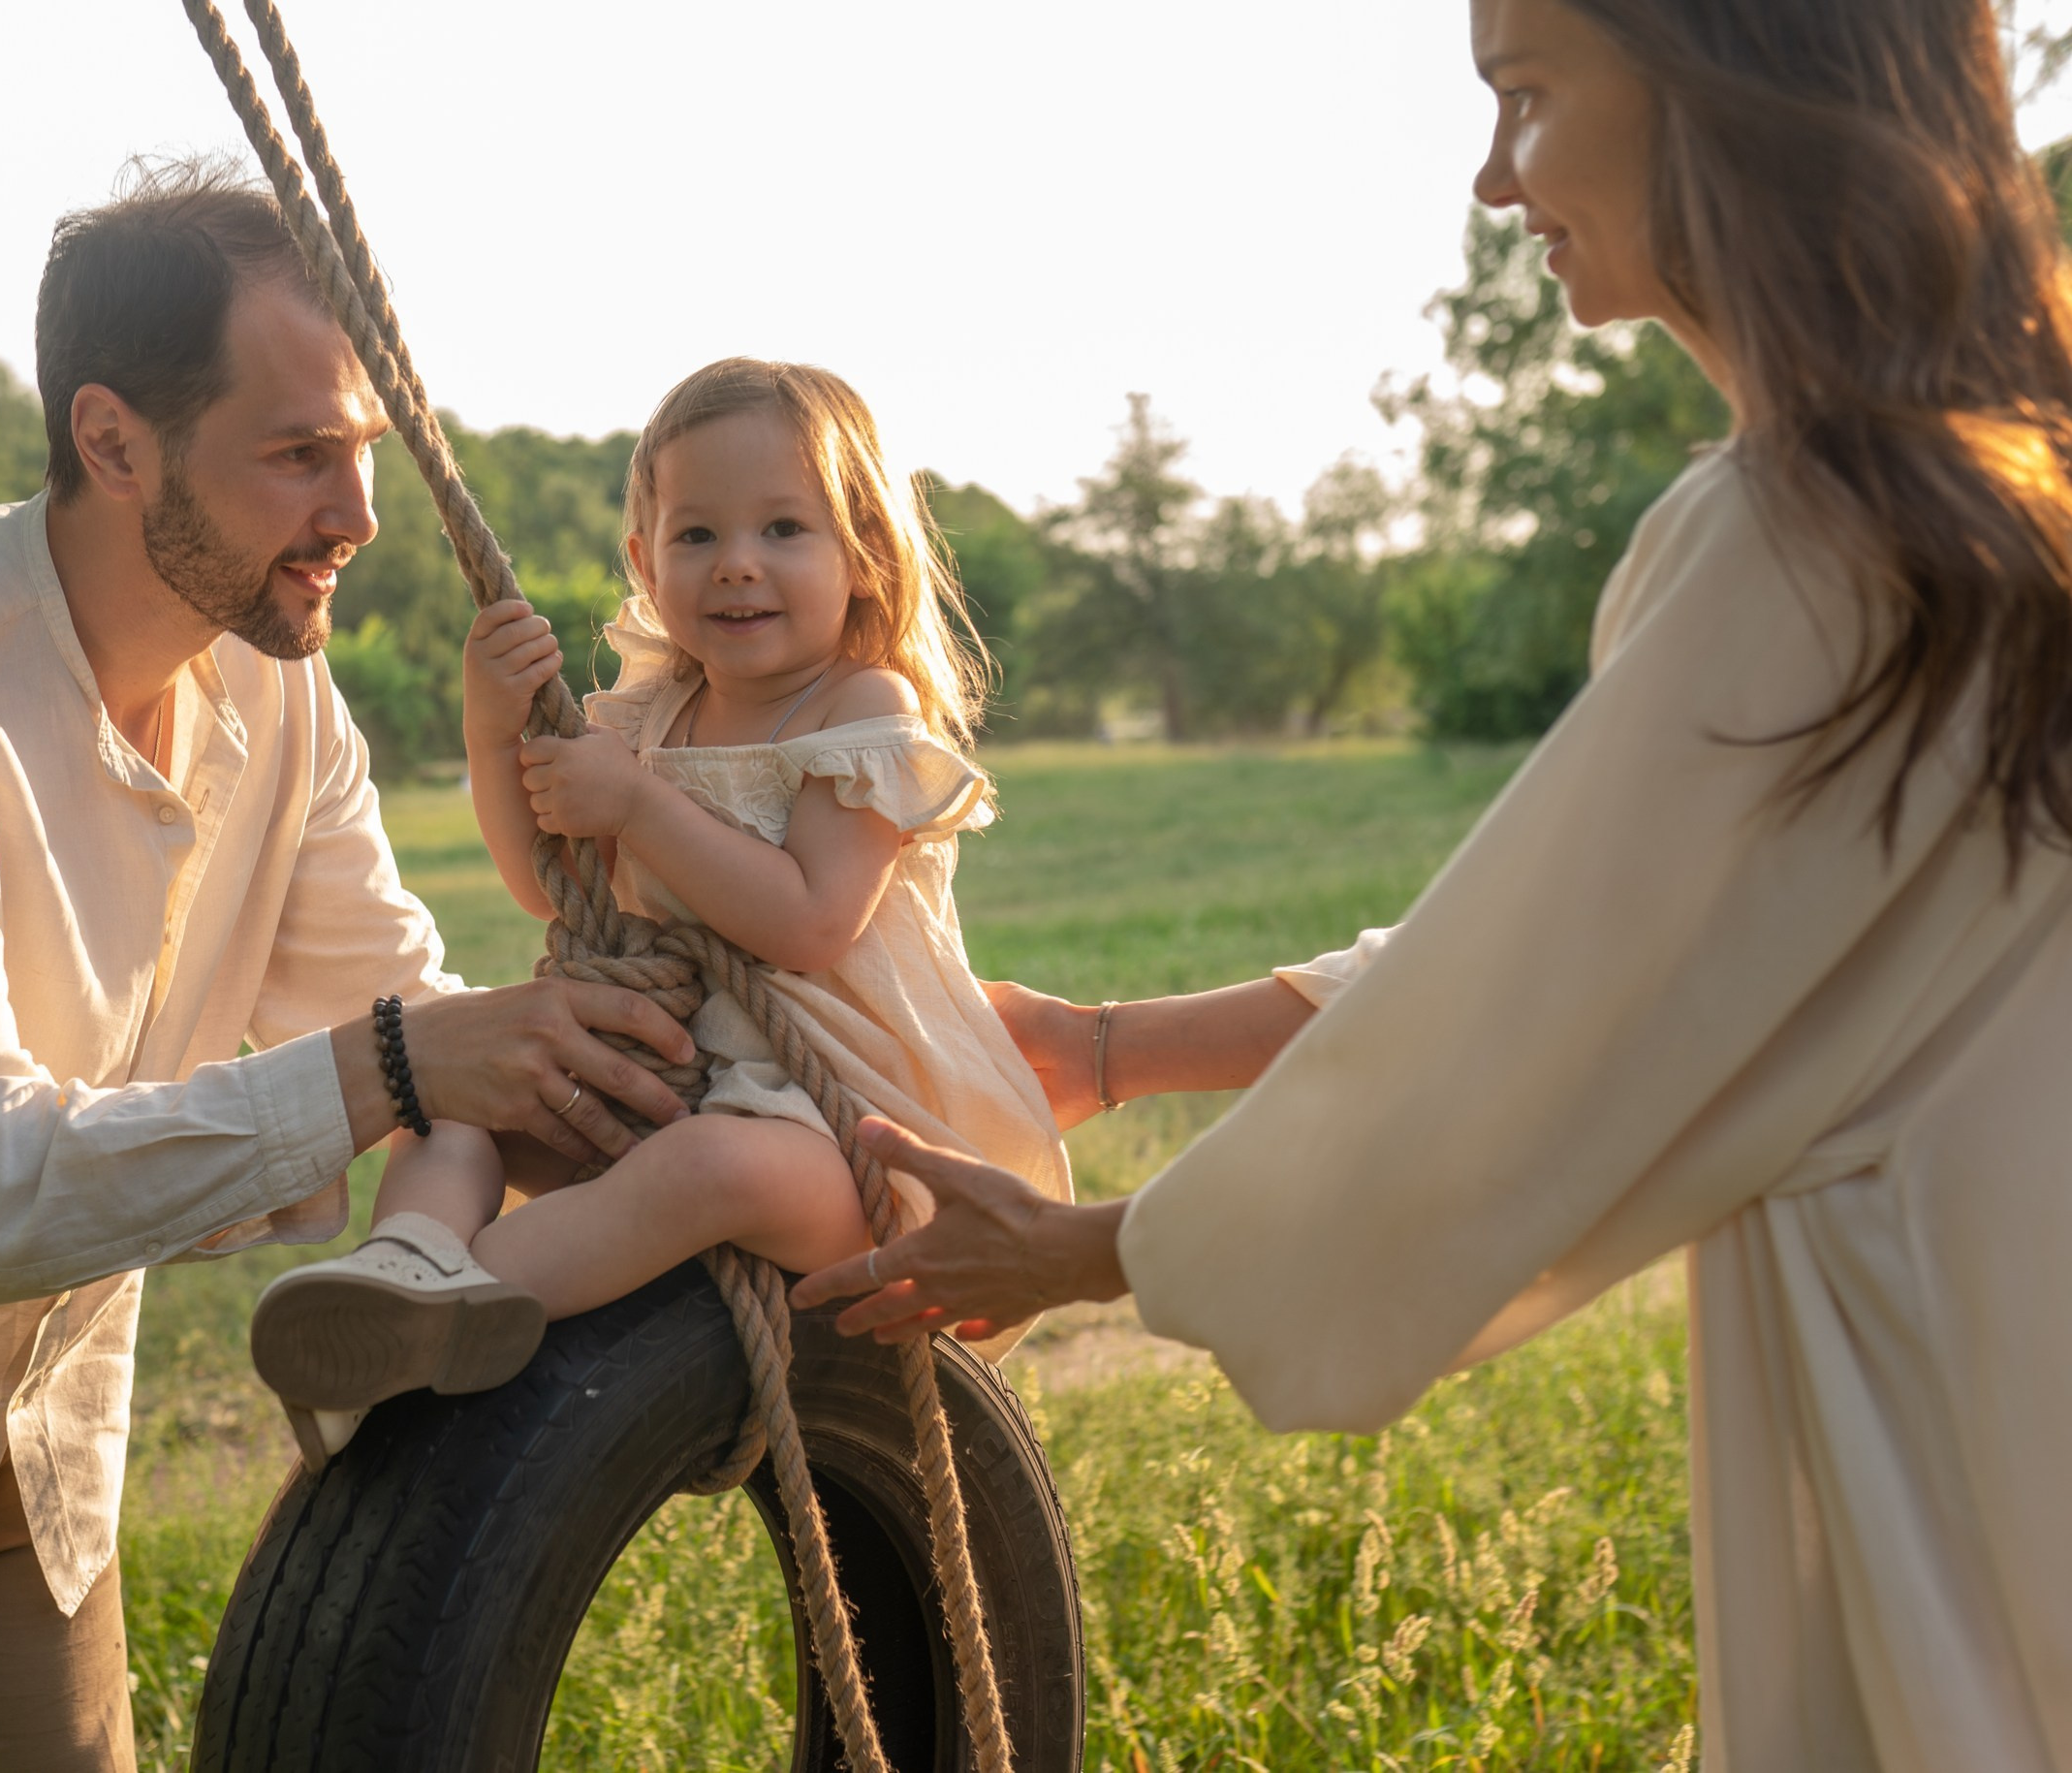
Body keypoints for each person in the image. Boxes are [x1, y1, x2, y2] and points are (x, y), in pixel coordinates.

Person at [797, 0, 2072, 1764]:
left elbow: (1524, 1035)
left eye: (1527, 97)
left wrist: (1095, 1245)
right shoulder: (2011, 497)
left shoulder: (1812, 539)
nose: (1493, 180)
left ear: (1728, 80)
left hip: (1954, 1415)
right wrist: (1109, 1045)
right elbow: (1601, 939)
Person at [0, 162, 699, 1771]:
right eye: (297, 451)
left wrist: (727, 1138)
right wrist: (405, 1060)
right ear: (112, 440)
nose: (360, 515)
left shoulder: (285, 691)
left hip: (21, 1471)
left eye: (366, 453)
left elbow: (402, 1014)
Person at [249, 359, 1072, 1467]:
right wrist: (492, 732)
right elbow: (550, 885)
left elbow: (812, 922)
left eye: (784, 528)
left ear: (864, 553)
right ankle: (409, 1262)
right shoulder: (649, 714)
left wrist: (636, 801)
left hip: (848, 1139)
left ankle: (452, 1314)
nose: (737, 564)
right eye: (696, 536)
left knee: (712, 1173)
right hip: (670, 1090)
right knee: (463, 1088)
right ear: (644, 560)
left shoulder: (861, 708)